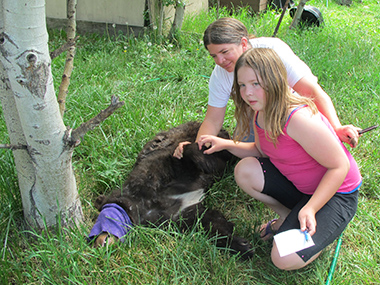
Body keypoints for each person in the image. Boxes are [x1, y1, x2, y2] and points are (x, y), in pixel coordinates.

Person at [196, 48, 362, 270]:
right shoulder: (260, 111)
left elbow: (339, 165)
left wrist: (311, 208)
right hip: (303, 189)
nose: (247, 93)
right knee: (245, 170)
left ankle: (321, 228)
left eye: (255, 83)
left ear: (274, 80)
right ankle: (288, 218)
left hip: (337, 193)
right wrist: (225, 144)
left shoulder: (298, 119)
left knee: (283, 258)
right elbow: (261, 150)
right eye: (242, 85)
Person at [173, 17, 359, 159]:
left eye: (224, 52)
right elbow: (213, 120)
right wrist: (195, 148)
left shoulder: (273, 50)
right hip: (255, 113)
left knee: (303, 147)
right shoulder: (220, 75)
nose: (220, 61)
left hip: (290, 108)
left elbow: (311, 92)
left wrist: (336, 128)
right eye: (214, 56)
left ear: (243, 43)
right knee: (247, 152)